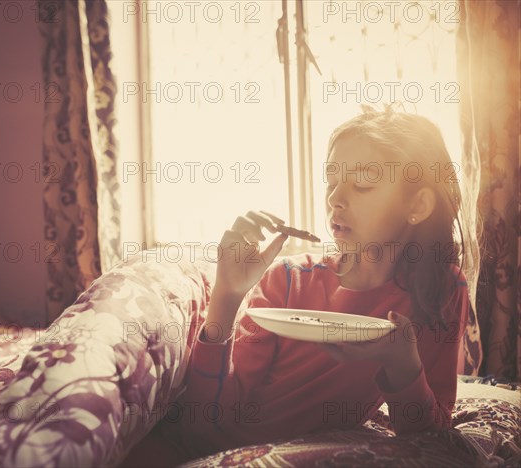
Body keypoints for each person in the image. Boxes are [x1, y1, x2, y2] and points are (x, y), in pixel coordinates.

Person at [122, 106, 469, 466]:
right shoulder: (288, 281)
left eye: (363, 182)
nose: (336, 198)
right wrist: (227, 295)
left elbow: (429, 438)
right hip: (185, 450)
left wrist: (403, 365)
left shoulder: (441, 291)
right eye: (332, 180)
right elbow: (205, 426)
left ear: (419, 204)